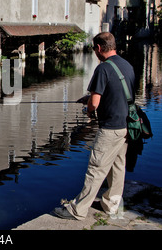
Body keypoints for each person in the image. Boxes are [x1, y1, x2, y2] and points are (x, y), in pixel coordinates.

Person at [52, 32, 135, 220]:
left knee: (96, 169)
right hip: (126, 126)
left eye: (93, 49)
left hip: (110, 128)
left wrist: (89, 110)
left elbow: (95, 103)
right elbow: (119, 94)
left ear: (98, 48)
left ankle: (77, 211)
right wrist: (89, 98)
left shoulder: (103, 69)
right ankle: (111, 205)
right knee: (117, 166)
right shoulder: (127, 65)